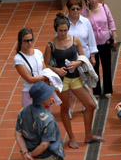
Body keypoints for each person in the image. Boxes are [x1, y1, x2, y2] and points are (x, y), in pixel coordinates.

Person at [44, 13, 104, 149]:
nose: (63, 33)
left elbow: (83, 57)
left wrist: (76, 64)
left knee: (90, 105)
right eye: (60, 31)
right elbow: (46, 65)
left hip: (75, 77)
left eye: (65, 30)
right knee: (65, 108)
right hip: (61, 80)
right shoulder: (50, 45)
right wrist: (57, 70)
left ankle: (88, 135)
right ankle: (71, 137)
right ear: (56, 30)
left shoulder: (75, 40)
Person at [82, 0, 117, 98]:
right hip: (93, 44)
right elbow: (84, 27)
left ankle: (108, 89)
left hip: (105, 41)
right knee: (94, 67)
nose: (93, 0)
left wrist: (115, 37)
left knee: (107, 66)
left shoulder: (104, 7)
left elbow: (111, 22)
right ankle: (96, 90)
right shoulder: (85, 11)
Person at [14, 27, 49, 107]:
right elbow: (29, 79)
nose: (29, 43)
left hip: (42, 90)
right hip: (29, 92)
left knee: (46, 118)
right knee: (31, 118)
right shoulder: (18, 59)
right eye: (26, 41)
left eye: (31, 40)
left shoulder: (38, 52)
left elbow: (44, 70)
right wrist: (45, 77)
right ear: (20, 42)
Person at [67, 0, 98, 67]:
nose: (75, 11)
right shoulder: (64, 23)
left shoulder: (86, 22)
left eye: (78, 9)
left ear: (81, 9)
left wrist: (92, 56)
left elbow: (91, 41)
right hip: (69, 60)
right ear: (68, 10)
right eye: (73, 9)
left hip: (85, 58)